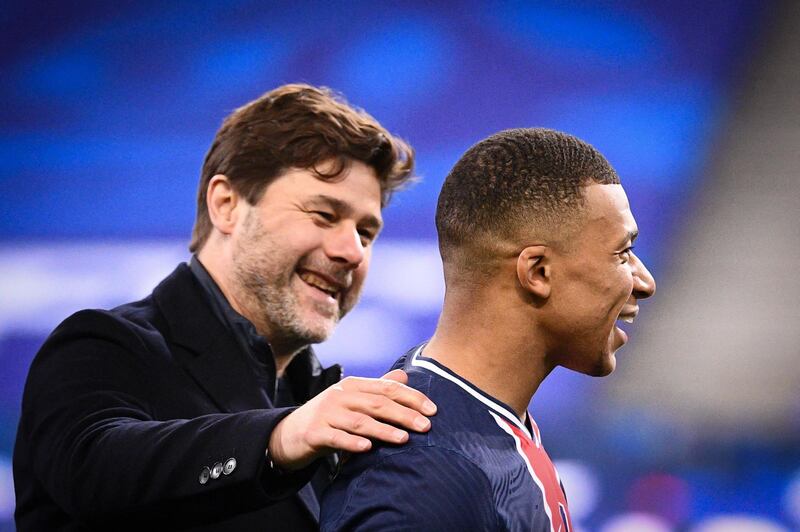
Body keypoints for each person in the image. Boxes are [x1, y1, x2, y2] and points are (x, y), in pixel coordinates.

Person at [13, 83, 437, 531]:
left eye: (366, 233)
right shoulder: (102, 345)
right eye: (325, 215)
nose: (352, 251)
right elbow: (89, 468)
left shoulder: (320, 410)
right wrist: (278, 438)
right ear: (227, 204)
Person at [320, 128, 657, 531]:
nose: (645, 282)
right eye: (623, 253)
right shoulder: (426, 477)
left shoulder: (481, 425)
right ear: (538, 272)